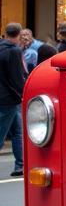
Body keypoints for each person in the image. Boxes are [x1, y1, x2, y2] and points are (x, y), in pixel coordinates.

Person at [0, 22, 26, 178]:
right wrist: (24, 93)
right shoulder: (14, 51)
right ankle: (20, 165)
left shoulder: (1, 48)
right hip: (9, 99)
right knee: (2, 134)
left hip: (6, 97)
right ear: (19, 33)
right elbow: (17, 77)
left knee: (17, 132)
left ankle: (20, 165)